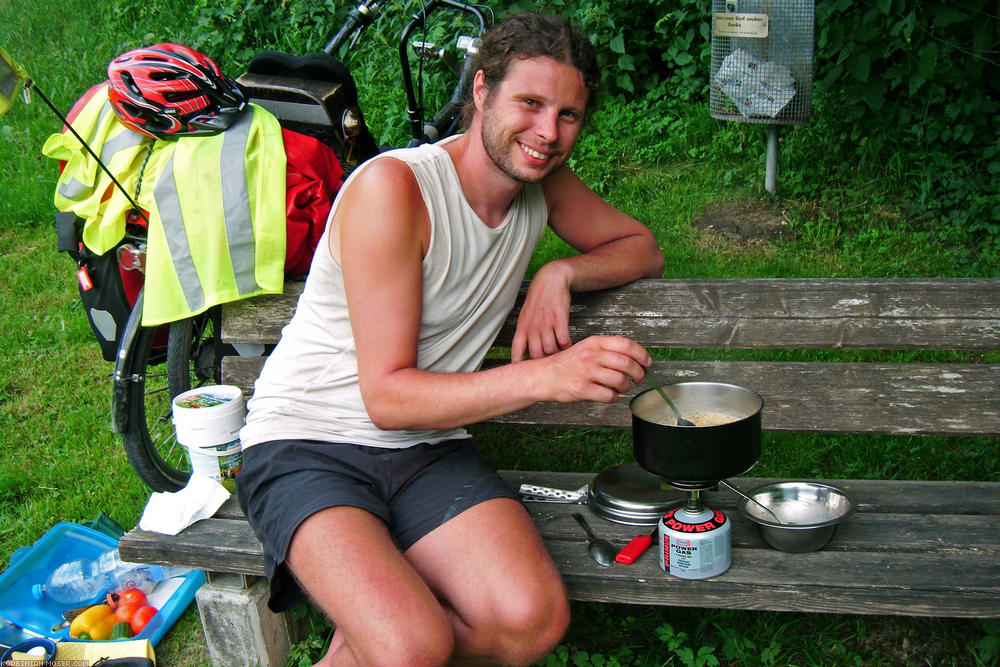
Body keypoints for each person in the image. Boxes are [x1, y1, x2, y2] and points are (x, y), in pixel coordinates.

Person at [236, 12, 664, 666]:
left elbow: (642, 248)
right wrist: (548, 377)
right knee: (414, 646)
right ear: (482, 90)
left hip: (426, 447)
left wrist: (562, 271)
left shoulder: (541, 186)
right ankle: (388, 637)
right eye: (530, 103)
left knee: (531, 621)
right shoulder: (397, 189)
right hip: (308, 442)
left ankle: (369, 637)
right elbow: (386, 397)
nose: (548, 133)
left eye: (569, 115)